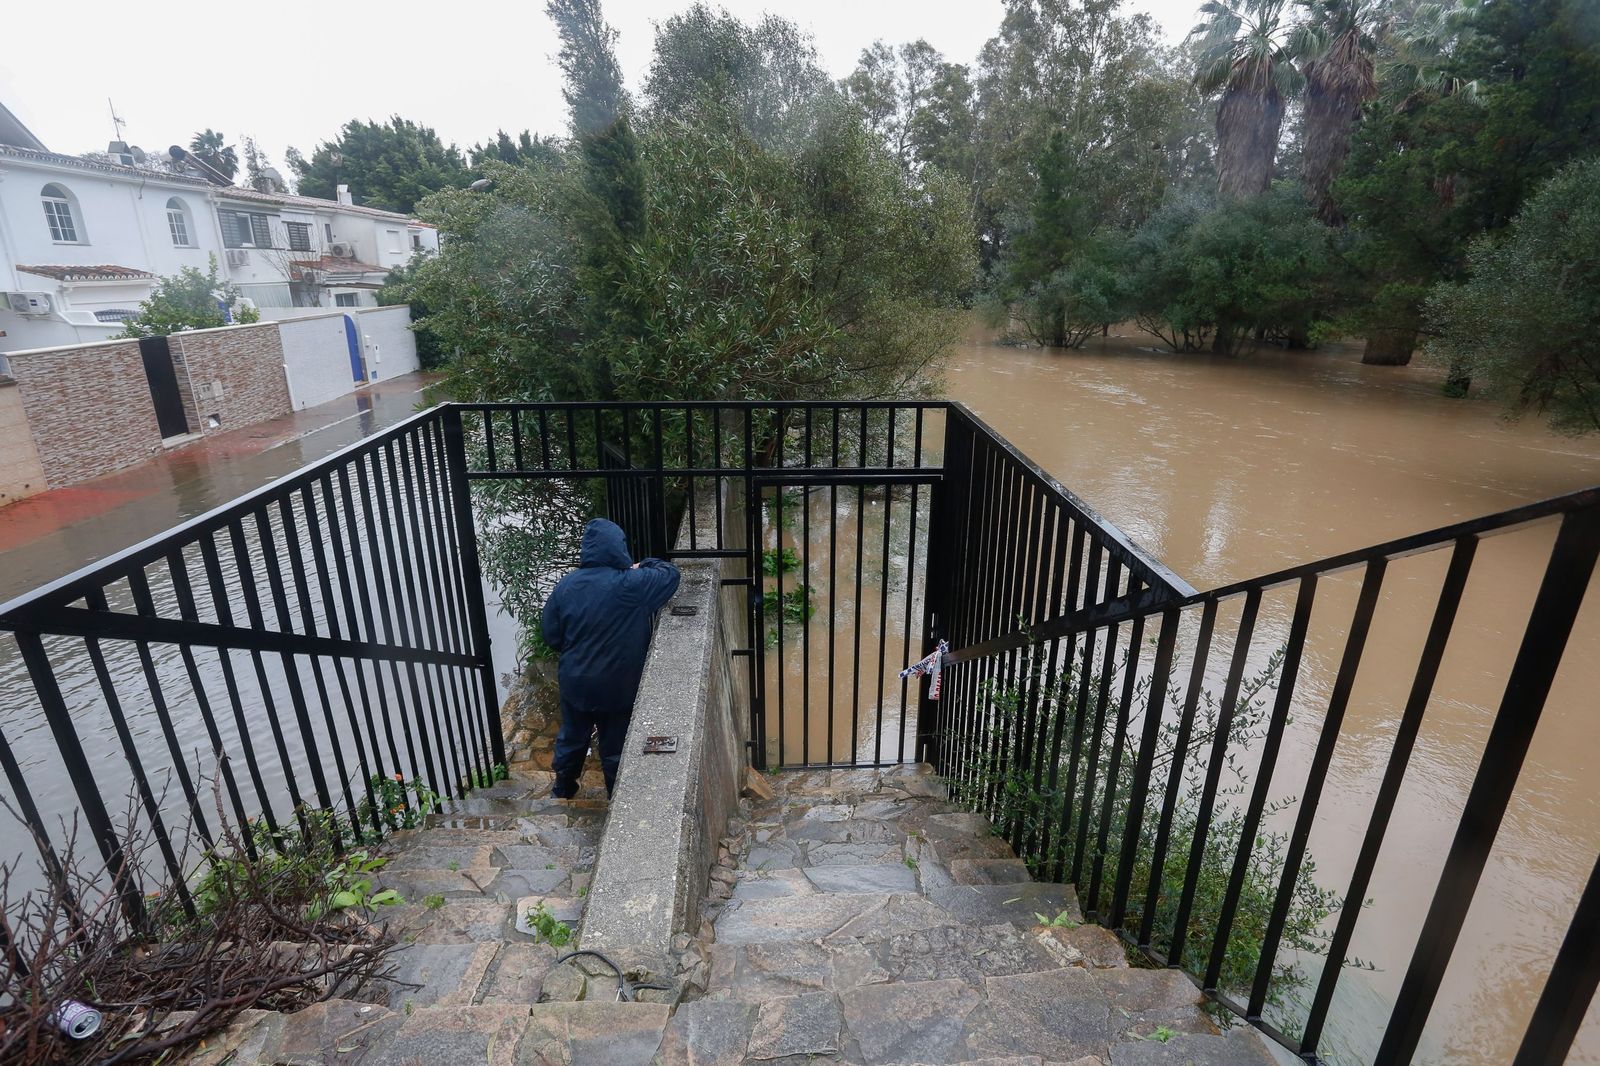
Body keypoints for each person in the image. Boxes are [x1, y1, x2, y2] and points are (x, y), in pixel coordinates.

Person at [540, 518, 681, 798]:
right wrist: (643, 564)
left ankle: (563, 788)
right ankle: (615, 799)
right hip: (618, 683)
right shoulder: (632, 584)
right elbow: (671, 574)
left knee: (572, 736)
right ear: (619, 549)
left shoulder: (565, 586)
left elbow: (551, 636)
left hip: (575, 680)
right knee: (615, 743)